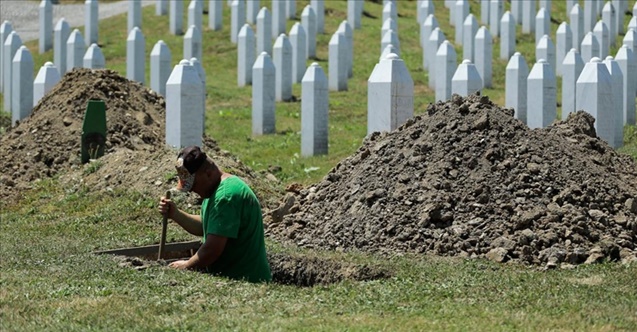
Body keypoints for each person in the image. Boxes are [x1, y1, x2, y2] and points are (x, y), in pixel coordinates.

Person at [158, 146, 271, 283]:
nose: (193, 190)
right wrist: (175, 214)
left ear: (208, 173)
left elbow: (212, 248)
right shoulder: (214, 191)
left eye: (194, 185)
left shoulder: (225, 197)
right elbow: (207, 226)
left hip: (246, 280)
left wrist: (187, 265)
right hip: (234, 279)